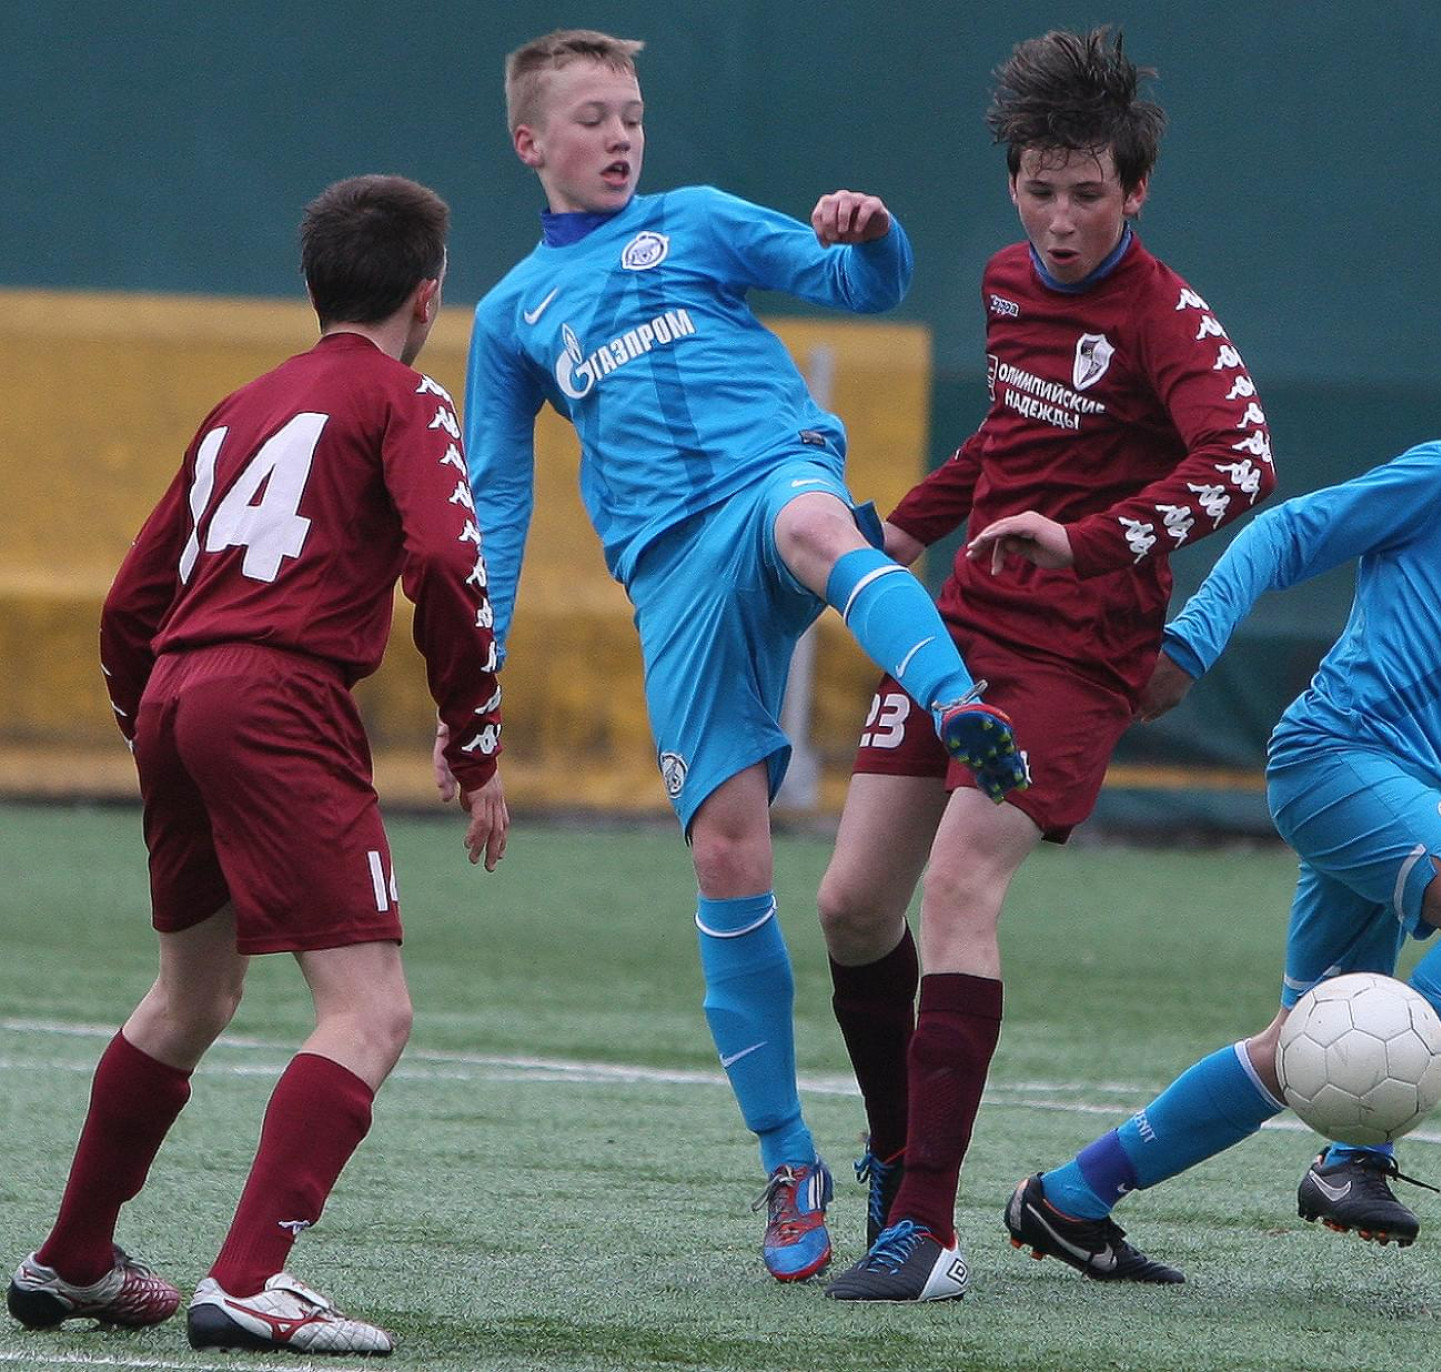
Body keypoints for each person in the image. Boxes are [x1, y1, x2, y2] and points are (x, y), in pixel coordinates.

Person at [463, 29, 1026, 1285]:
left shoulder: (701, 219)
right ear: (530, 143)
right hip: (667, 573)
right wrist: (475, 680)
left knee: (820, 520)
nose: (621, 136)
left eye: (634, 113)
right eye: (595, 117)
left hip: (769, 476)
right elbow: (497, 507)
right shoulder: (509, 316)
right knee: (728, 850)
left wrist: (869, 232)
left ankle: (955, 703)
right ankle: (788, 1156)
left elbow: (860, 287)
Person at [1005, 286, 1441, 1278]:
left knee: (1300, 1050)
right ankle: (1358, 1153)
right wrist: (1191, 640)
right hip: (1334, 755)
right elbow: (1286, 534)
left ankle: (1069, 1199)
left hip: (1402, 799)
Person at [5, 175, 510, 1356]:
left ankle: (72, 1258)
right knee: (371, 1010)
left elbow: (132, 600)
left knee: (193, 994)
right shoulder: (406, 399)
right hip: (279, 695)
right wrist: (475, 738)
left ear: (314, 286)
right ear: (429, 296)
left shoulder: (241, 405)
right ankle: (246, 1279)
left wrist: (157, 725)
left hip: (179, 689)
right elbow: (445, 560)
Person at [818, 28, 1277, 1302]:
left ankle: (924, 1231)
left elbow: (1244, 464)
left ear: (1136, 192)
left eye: (1089, 194)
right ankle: (898, 1155)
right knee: (854, 905)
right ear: (1014, 181)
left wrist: (1087, 546)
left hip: (1078, 658)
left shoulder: (1167, 315)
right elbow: (1007, 435)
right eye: (1040, 187)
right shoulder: (1008, 279)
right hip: (957, 633)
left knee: (961, 886)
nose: (1062, 219)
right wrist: (905, 529)